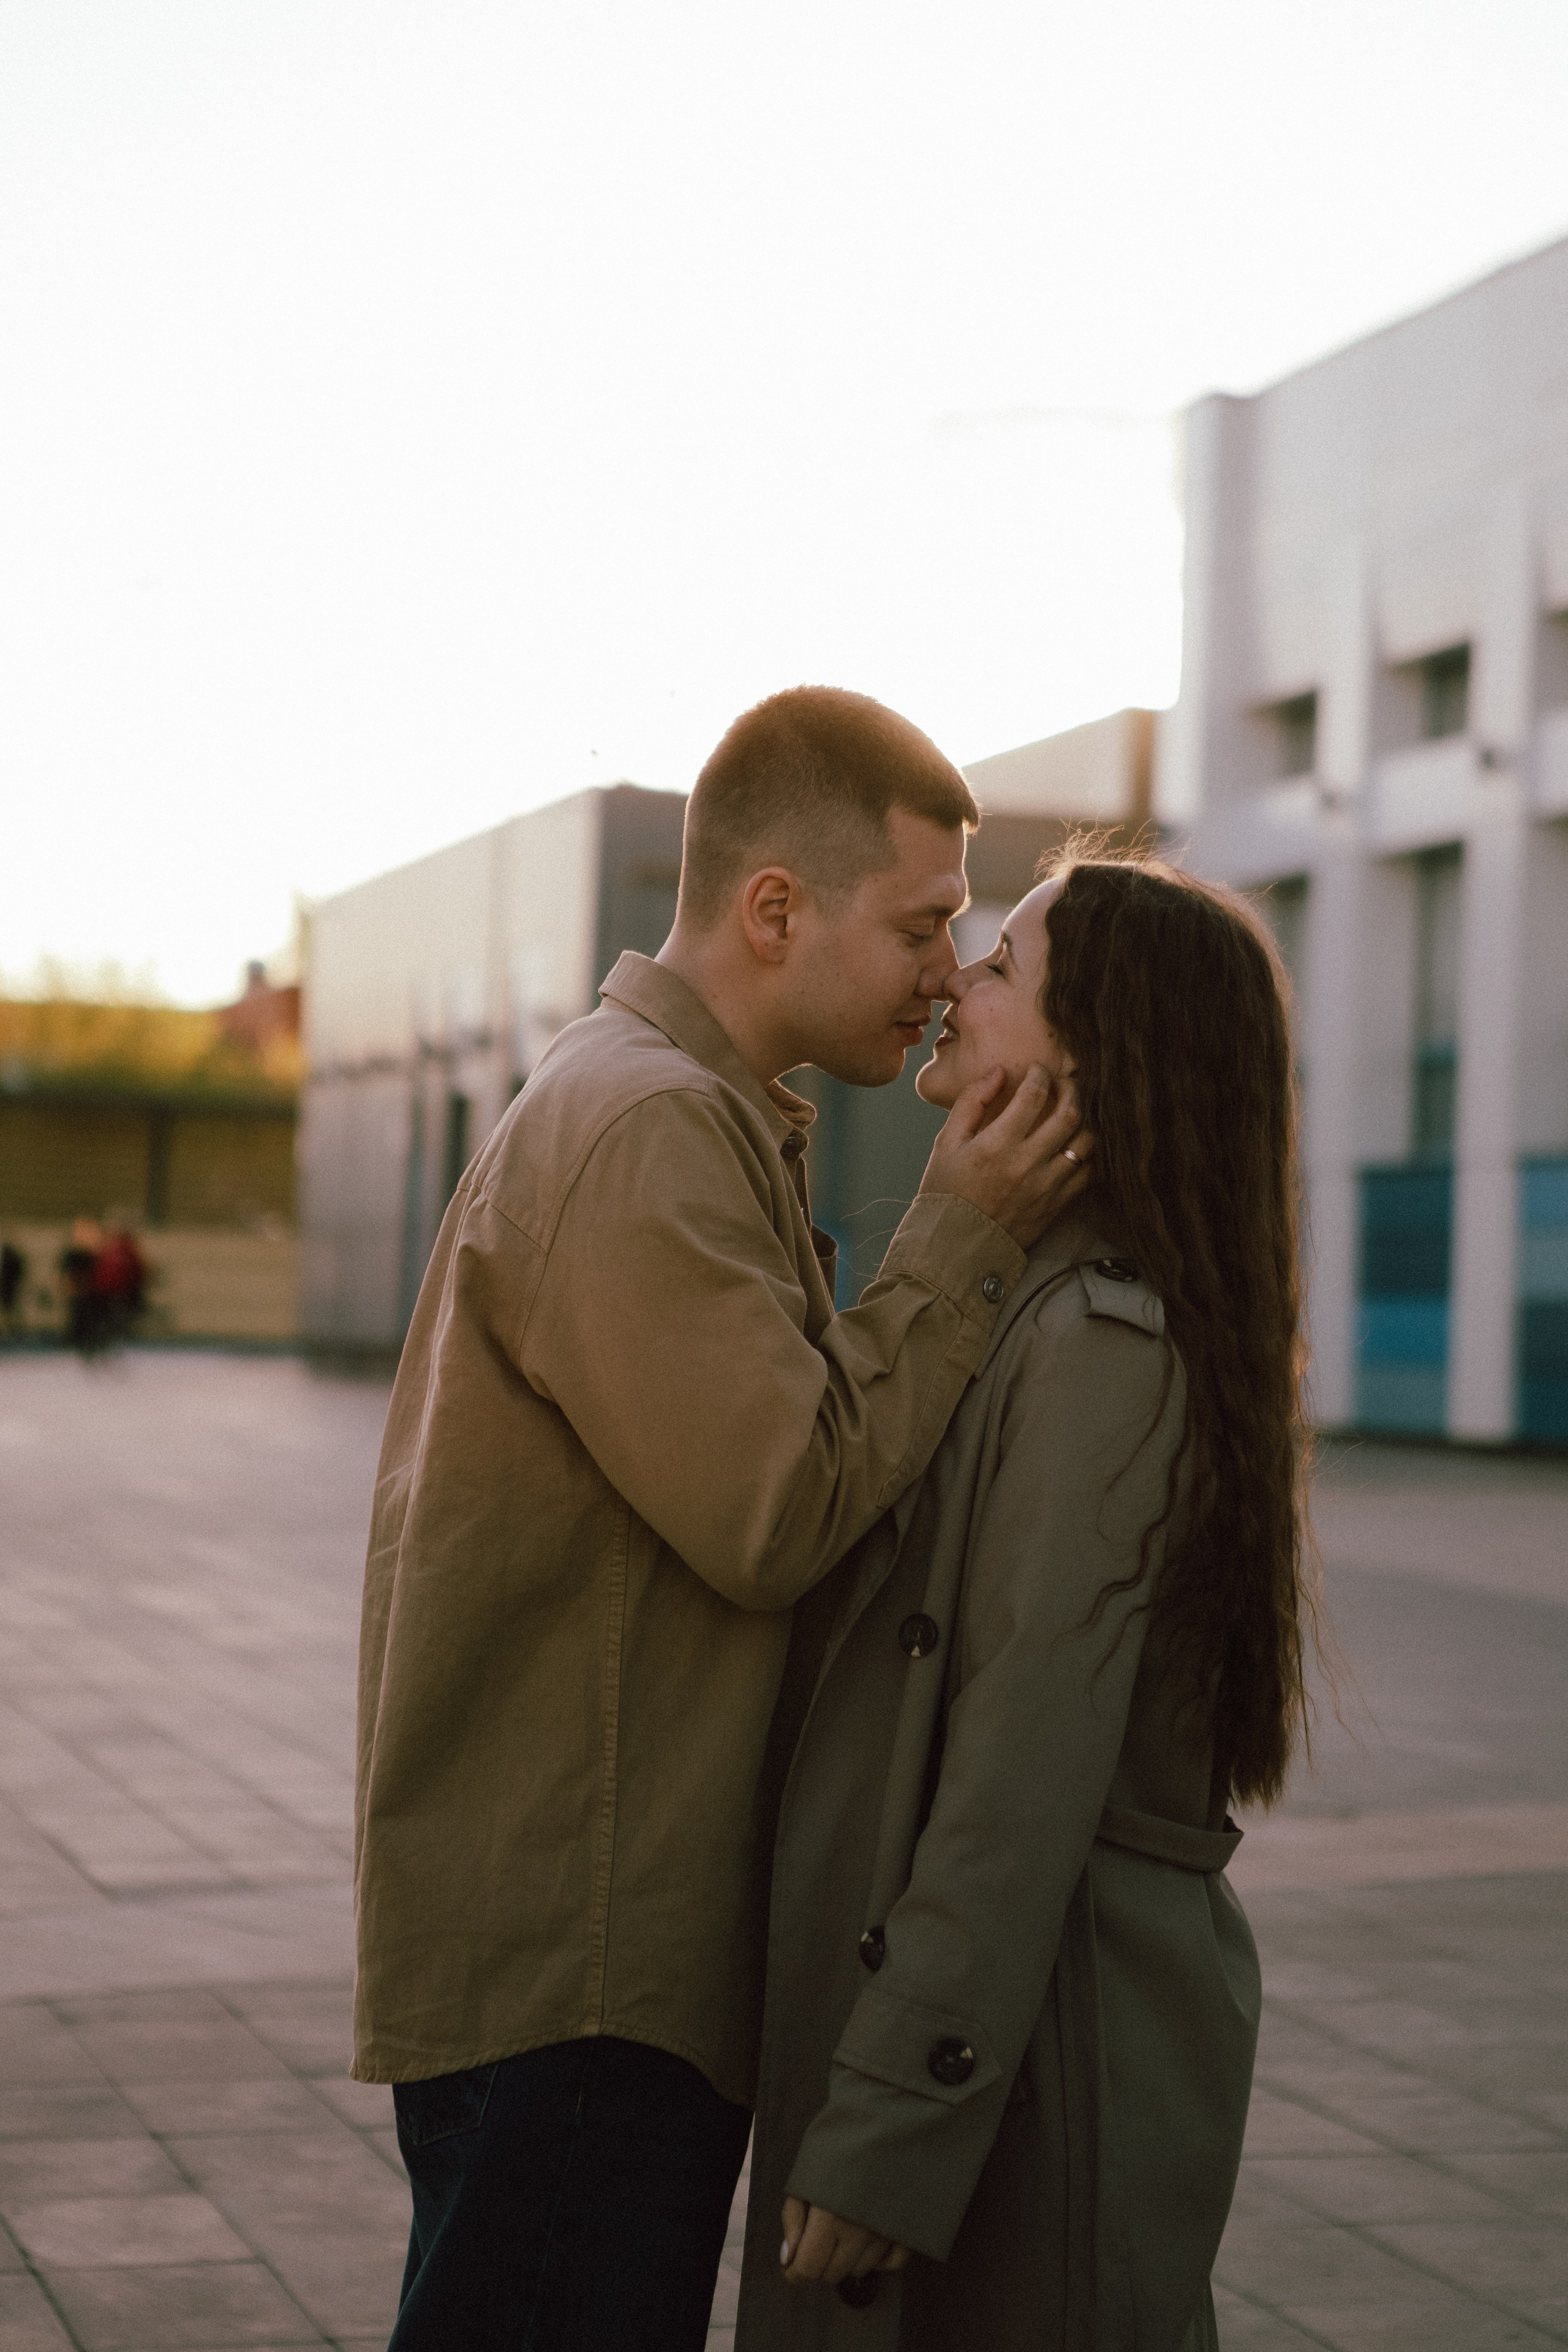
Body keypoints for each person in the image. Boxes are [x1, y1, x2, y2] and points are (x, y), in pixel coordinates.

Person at [353, 687, 1091, 2352]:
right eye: (921, 923)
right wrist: (961, 1234)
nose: (943, 973)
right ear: (775, 907)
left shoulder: (681, 1111)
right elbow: (781, 1511)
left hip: (586, 1958)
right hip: (588, 1974)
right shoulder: (645, 1130)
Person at [740, 850, 1316, 2352]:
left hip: (1044, 2085)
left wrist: (881, 2133)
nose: (953, 980)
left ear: (1093, 1054)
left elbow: (1014, 1785)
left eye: (1000, 969)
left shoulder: (1100, 1347)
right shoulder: (1031, 1298)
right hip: (1018, 2053)